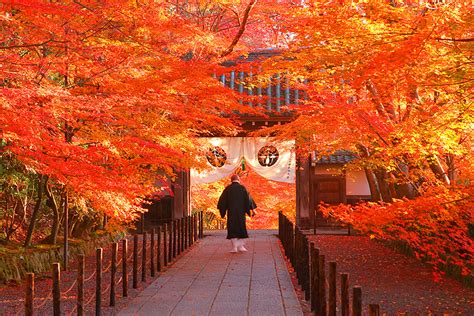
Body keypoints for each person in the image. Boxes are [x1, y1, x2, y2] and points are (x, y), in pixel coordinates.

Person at [217, 174, 257, 253]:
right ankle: (241, 246)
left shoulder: (227, 189)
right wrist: (253, 210)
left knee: (232, 229)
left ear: (231, 180)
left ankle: (235, 247)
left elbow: (222, 201)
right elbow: (248, 200)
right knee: (241, 228)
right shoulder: (242, 188)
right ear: (239, 180)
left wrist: (222, 211)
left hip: (231, 213)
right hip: (241, 213)